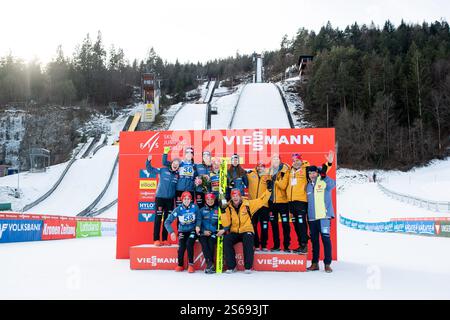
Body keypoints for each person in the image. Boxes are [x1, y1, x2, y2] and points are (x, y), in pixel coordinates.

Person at [218, 187, 272, 273]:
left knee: (248, 239)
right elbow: (226, 224)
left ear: (240, 196)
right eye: (233, 196)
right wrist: (223, 211)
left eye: (237, 195)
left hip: (246, 230)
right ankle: (232, 266)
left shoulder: (248, 204)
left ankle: (248, 267)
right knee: (227, 239)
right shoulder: (228, 206)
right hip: (235, 231)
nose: (235, 198)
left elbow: (262, 200)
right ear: (231, 197)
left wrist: (268, 190)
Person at [306, 151, 336, 273]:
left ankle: (327, 264)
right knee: (314, 242)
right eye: (309, 173)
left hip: (324, 216)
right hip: (312, 218)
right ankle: (314, 263)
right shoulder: (307, 186)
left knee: (326, 240)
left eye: (313, 172)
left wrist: (325, 175)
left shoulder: (323, 181)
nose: (311, 175)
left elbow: (333, 185)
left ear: (317, 173)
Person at [145, 147, 179, 246]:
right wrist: (148, 161)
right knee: (158, 219)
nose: (175, 166)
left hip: (170, 200)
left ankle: (164, 239)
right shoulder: (163, 170)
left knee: (167, 220)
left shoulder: (177, 175)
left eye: (177, 165)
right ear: (171, 164)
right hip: (160, 198)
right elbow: (150, 169)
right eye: (174, 164)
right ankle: (156, 239)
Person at [164, 191, 199, 273]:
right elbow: (167, 222)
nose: (186, 200)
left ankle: (191, 265)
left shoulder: (195, 207)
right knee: (181, 247)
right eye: (185, 199)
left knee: (189, 243)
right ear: (182, 200)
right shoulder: (178, 209)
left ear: (191, 199)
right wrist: (171, 232)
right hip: (182, 231)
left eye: (188, 199)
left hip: (192, 230)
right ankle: (180, 265)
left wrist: (198, 226)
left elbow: (199, 218)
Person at [287, 153, 311, 254]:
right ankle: (301, 245)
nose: (295, 162)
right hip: (291, 201)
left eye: (297, 160)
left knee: (301, 223)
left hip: (301, 201)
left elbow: (318, 174)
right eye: (293, 160)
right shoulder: (291, 170)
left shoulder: (306, 169)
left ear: (301, 160)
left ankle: (304, 244)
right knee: (295, 223)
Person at [268, 154, 291, 252]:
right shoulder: (269, 171)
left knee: (285, 224)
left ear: (280, 160)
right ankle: (276, 245)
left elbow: (283, 185)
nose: (275, 160)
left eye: (277, 159)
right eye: (273, 159)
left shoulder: (285, 170)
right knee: (274, 225)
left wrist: (275, 180)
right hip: (272, 202)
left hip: (283, 202)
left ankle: (286, 246)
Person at [247, 160, 271, 251]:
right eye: (259, 166)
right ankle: (256, 244)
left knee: (264, 226)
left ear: (264, 168)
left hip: (264, 205)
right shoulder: (250, 174)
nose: (260, 168)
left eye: (262, 166)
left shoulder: (268, 176)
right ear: (256, 167)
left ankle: (264, 245)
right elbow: (241, 176)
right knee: (253, 226)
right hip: (253, 205)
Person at [195, 192, 219, 274]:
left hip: (213, 233)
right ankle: (210, 264)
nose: (210, 201)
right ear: (205, 200)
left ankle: (210, 265)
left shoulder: (218, 210)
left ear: (214, 200)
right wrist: (203, 231)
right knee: (204, 243)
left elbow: (221, 223)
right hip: (203, 233)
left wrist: (215, 231)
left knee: (211, 243)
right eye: (208, 199)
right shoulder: (201, 210)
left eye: (211, 199)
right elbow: (198, 222)